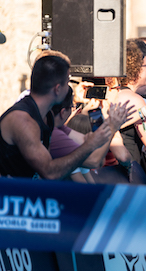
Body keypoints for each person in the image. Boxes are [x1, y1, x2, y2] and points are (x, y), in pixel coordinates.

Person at [0, 55, 130, 179]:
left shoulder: (47, 116)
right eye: (68, 81)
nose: (70, 87)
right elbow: (49, 172)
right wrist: (108, 130)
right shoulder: (23, 121)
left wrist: (110, 125)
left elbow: (89, 149)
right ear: (57, 89)